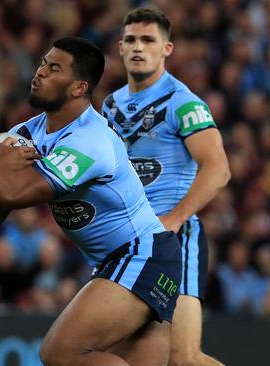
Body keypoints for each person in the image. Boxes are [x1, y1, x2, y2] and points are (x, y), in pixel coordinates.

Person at [0, 36, 182, 366]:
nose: (40, 71)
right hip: (122, 263)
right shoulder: (24, 135)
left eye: (54, 67)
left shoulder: (92, 139)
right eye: (43, 62)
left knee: (59, 352)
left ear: (78, 88)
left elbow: (13, 193)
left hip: (142, 256)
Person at [102, 8, 230, 366]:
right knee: (122, 352)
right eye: (131, 40)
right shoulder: (110, 106)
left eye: (148, 40)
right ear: (120, 47)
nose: (138, 47)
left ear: (167, 49)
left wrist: (174, 218)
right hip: (127, 243)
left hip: (175, 238)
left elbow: (218, 170)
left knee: (183, 358)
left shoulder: (183, 102)